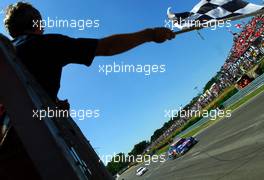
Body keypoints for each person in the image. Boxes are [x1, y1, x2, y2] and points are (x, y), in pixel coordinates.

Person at [4, 2, 175, 103]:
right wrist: (149, 34)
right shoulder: (45, 43)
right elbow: (106, 47)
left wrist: (54, 104)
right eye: (41, 21)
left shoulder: (8, 54)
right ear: (36, 23)